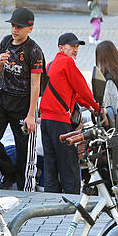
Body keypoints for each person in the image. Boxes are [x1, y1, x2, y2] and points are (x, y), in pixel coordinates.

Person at [0, 7, 44, 191]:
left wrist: (31, 115)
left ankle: (24, 187)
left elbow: (36, 85)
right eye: (12, 25)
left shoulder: (34, 51)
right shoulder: (5, 42)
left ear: (30, 28)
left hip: (23, 102)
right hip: (3, 97)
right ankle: (8, 171)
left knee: (23, 149)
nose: (14, 30)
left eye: (19, 26)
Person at [39, 33, 100, 194]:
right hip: (59, 120)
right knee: (69, 164)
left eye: (77, 47)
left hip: (45, 121)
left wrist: (89, 105)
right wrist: (96, 106)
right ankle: (72, 204)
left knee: (50, 164)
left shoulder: (51, 65)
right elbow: (82, 88)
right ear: (61, 47)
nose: (75, 50)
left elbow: (75, 94)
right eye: (72, 46)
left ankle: (49, 201)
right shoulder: (67, 62)